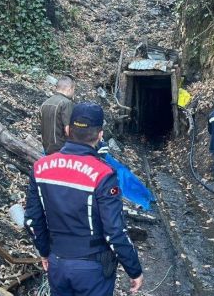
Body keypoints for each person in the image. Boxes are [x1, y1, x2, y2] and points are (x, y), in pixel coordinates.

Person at [24, 103, 143, 295]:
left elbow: (32, 220)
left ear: (68, 130)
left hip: (57, 262)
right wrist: (134, 269)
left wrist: (44, 251)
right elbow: (114, 230)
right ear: (100, 135)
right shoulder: (103, 174)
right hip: (92, 269)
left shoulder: (40, 167)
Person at [40, 76, 75, 155]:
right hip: (61, 149)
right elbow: (67, 130)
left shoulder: (45, 103)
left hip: (46, 149)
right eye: (73, 89)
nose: (73, 92)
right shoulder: (66, 103)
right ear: (69, 89)